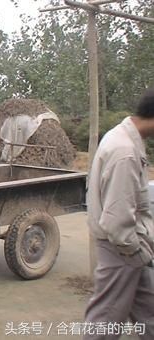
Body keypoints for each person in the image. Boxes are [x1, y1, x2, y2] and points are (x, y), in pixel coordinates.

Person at [84, 88, 154, 340]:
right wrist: (136, 251)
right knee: (105, 320)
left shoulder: (125, 138)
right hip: (122, 249)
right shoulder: (124, 151)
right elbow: (117, 220)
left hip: (132, 247)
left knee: (148, 313)